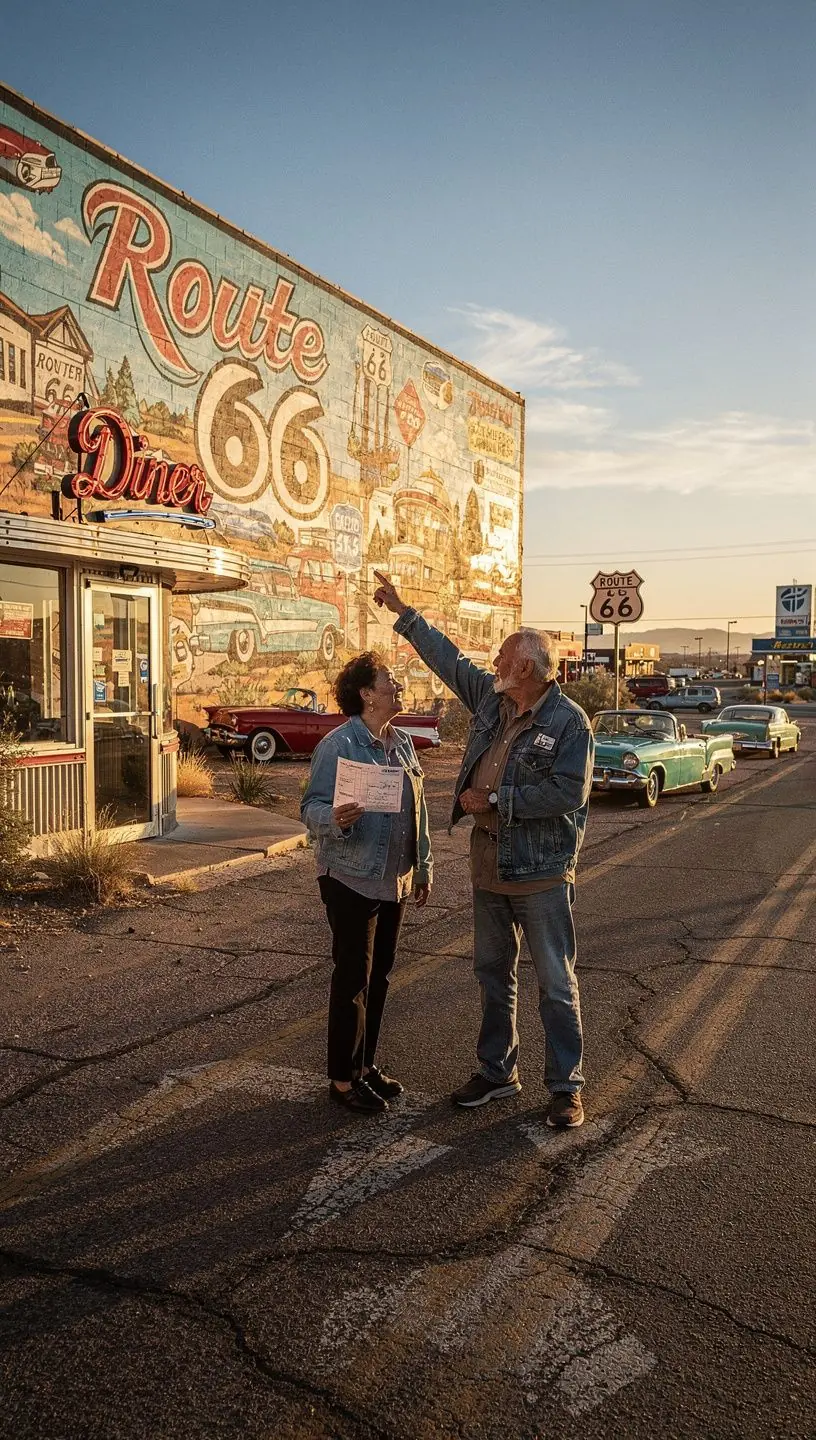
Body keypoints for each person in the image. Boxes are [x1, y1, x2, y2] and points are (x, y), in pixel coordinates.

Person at [373, 571, 594, 1129]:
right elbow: (447, 661)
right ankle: (498, 1072)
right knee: (493, 974)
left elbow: (569, 792)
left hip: (541, 873)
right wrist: (404, 611)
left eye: (501, 658)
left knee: (555, 983)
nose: (492, 665)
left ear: (525, 667)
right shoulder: (493, 703)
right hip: (489, 865)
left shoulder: (570, 723)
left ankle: (566, 1088)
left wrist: (496, 796)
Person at [301, 652, 433, 1115]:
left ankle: (365, 1065)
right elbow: (309, 809)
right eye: (389, 681)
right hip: (350, 877)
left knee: (380, 976)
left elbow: (417, 811)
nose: (397, 686)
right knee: (353, 977)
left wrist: (423, 865)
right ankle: (342, 1078)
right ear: (366, 694)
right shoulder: (339, 746)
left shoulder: (402, 744)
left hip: (392, 878)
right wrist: (333, 818)